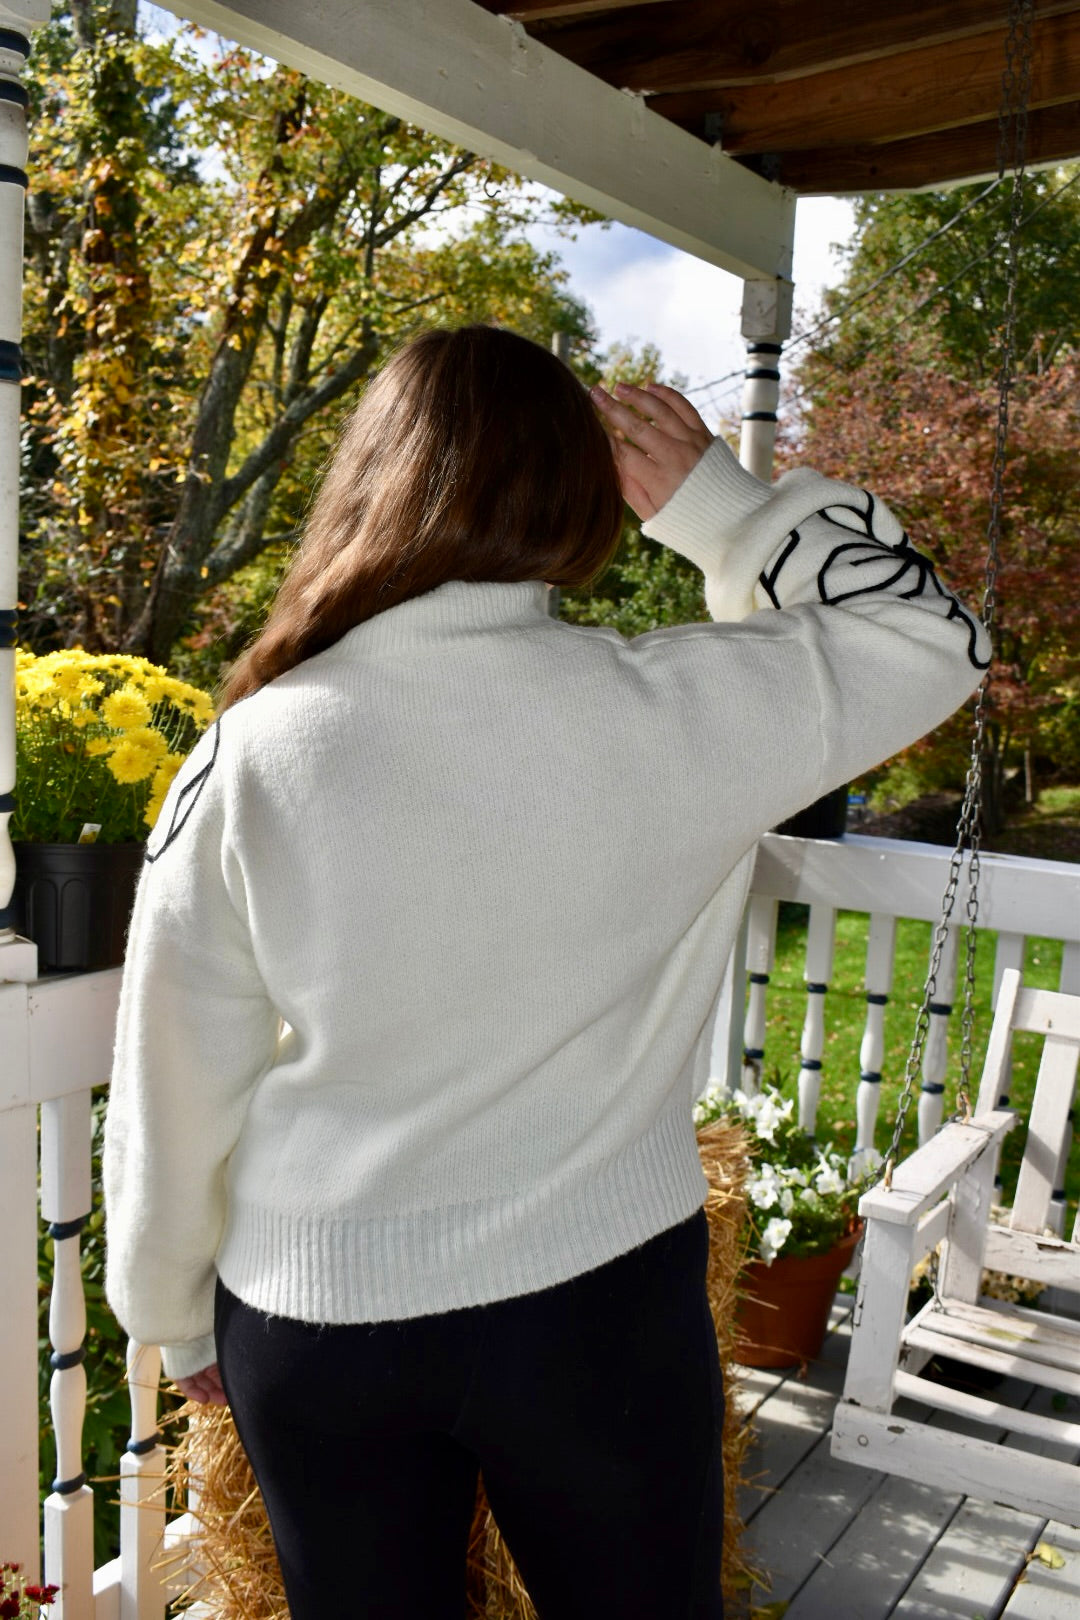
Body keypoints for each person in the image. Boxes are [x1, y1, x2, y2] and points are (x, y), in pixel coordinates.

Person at [104, 323, 988, 1620]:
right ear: (580, 493)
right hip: (598, 1314)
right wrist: (722, 512)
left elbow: (173, 1074)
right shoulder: (677, 710)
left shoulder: (246, 755)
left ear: (371, 484)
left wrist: (173, 1315)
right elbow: (934, 637)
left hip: (317, 1322)